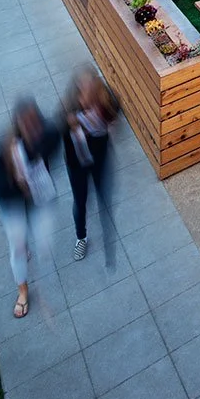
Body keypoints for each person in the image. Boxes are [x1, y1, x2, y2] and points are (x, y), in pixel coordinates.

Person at [0, 98, 60, 319]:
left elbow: (54, 147)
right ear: (18, 124)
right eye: (25, 124)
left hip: (39, 193)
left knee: (44, 242)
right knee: (17, 246)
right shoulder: (4, 148)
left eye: (34, 122)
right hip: (11, 199)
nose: (31, 128)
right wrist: (15, 178)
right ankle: (23, 292)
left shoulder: (49, 134)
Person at [61, 66, 119, 265]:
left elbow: (115, 115)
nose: (86, 92)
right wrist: (74, 129)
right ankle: (81, 237)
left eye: (90, 87)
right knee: (81, 201)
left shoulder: (106, 101)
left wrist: (107, 127)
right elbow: (58, 136)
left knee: (104, 197)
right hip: (77, 163)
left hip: (100, 159)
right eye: (82, 88)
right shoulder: (67, 111)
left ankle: (108, 237)